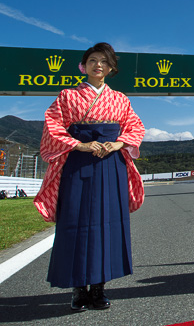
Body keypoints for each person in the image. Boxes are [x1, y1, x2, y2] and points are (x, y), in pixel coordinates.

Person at [34, 42, 145, 311]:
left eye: (104, 62)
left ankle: (99, 288)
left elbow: (135, 127)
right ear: (84, 66)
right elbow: (53, 127)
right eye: (93, 60)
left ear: (111, 68)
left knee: (108, 223)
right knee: (75, 221)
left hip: (111, 163)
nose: (99, 65)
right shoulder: (67, 96)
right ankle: (78, 288)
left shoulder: (120, 99)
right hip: (77, 162)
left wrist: (119, 143)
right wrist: (79, 145)